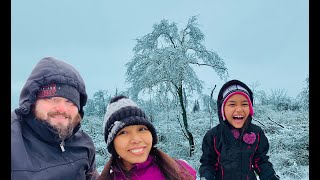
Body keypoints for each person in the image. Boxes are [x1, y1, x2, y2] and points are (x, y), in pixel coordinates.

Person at [11, 57, 99, 180]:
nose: (62, 109)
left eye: (69, 101)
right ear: (32, 101)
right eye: (52, 99)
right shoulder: (14, 141)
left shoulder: (84, 144)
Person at [98, 95, 197, 180]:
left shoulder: (181, 171)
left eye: (142, 129)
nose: (136, 139)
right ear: (112, 143)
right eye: (123, 132)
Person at [199, 79, 280, 180]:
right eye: (232, 104)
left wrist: (270, 177)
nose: (239, 109)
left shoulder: (257, 133)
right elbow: (208, 163)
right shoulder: (213, 136)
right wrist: (206, 177)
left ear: (250, 108)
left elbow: (260, 161)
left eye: (244, 104)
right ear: (222, 109)